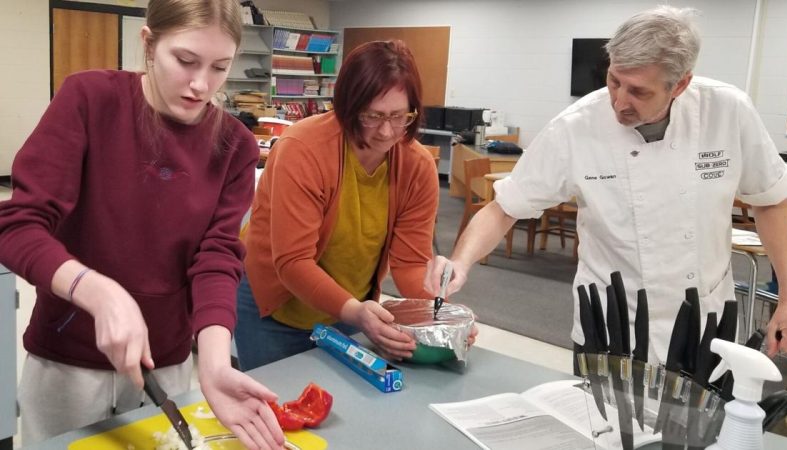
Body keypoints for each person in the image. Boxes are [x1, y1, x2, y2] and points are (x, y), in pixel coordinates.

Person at [426, 5, 787, 364]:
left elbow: (770, 201)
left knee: (705, 427)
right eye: (614, 81)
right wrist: (461, 261)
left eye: (639, 91)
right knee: (604, 425)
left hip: (706, 322)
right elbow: (505, 207)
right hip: (608, 323)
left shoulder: (727, 111)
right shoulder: (577, 126)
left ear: (681, 84)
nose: (619, 102)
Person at [0, 0, 285, 448]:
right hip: (68, 362)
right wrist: (97, 290)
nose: (200, 85)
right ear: (149, 44)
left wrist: (213, 363)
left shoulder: (235, 145)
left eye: (219, 68)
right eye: (185, 61)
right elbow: (18, 225)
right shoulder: (89, 100)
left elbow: (217, 258)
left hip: (166, 364)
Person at [236, 40, 475, 371]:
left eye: (399, 116)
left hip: (349, 306)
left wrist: (445, 318)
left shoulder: (416, 166)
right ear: (348, 107)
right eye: (372, 116)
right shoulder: (303, 149)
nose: (387, 131)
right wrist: (353, 311)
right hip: (276, 307)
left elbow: (409, 264)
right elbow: (292, 262)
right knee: (277, 412)